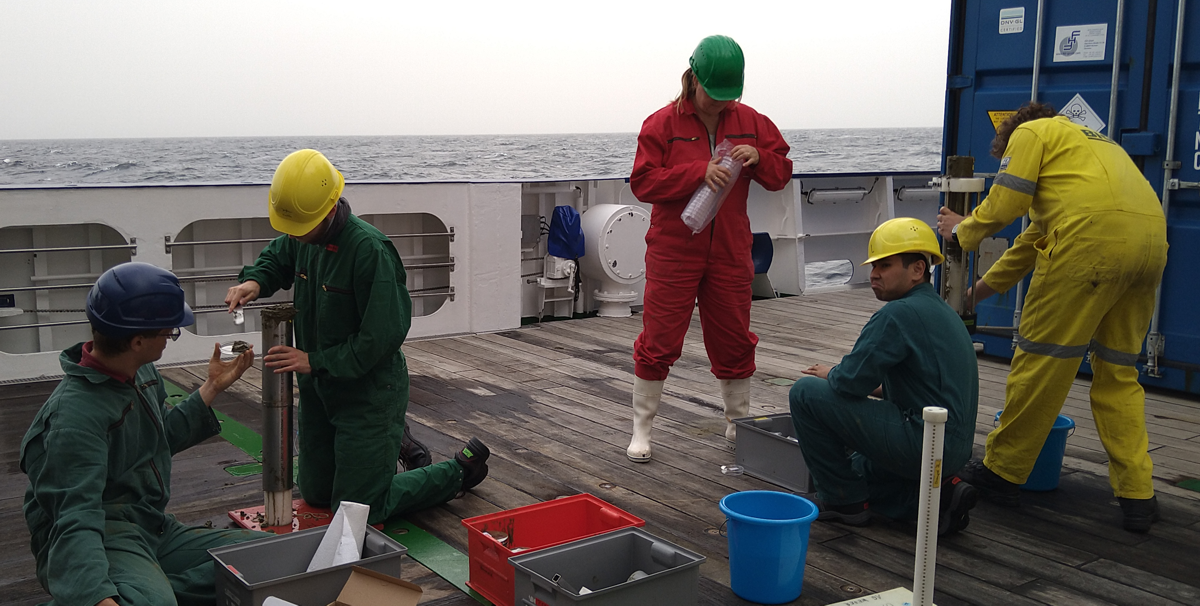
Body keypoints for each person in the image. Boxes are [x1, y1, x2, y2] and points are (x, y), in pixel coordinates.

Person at [936, 103, 1169, 532]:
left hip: (1088, 245)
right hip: (1149, 247)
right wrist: (971, 295)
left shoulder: (1032, 132)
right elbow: (1028, 246)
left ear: (1012, 135)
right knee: (1118, 375)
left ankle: (1003, 472)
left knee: (1040, 363)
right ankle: (1138, 494)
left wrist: (962, 230)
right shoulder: (1092, 150)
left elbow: (1007, 200)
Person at [225, 149, 489, 526]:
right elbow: (278, 256)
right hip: (320, 391)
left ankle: (458, 472)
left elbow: (382, 336)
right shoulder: (303, 235)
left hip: (367, 393)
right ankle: (391, 446)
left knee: (359, 507)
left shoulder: (369, 250)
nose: (294, 234)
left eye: (300, 227)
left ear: (328, 211)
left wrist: (314, 360)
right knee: (316, 493)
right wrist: (255, 280)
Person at [20, 262, 264, 606]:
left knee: (268, 556)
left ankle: (145, 590)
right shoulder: (72, 419)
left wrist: (211, 386)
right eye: (169, 332)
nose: (171, 338)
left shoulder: (140, 371)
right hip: (100, 534)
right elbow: (74, 520)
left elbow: (156, 440)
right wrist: (95, 595)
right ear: (137, 341)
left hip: (148, 524)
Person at [626, 35, 793, 462]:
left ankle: (737, 424)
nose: (720, 103)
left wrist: (760, 156)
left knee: (735, 339)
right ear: (693, 78)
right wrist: (697, 172)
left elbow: (781, 174)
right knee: (659, 340)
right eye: (713, 93)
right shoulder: (660, 124)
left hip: (731, 250)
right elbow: (643, 182)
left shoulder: (753, 121)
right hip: (673, 249)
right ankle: (642, 430)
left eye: (728, 95)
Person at [789, 218, 980, 535]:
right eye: (873, 266)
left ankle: (842, 502)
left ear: (917, 269)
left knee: (805, 393)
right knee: (858, 468)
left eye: (885, 265)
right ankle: (938, 499)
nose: (874, 274)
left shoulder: (899, 314)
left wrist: (829, 373)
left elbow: (850, 382)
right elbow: (920, 383)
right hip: (952, 447)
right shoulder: (941, 311)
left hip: (925, 441)